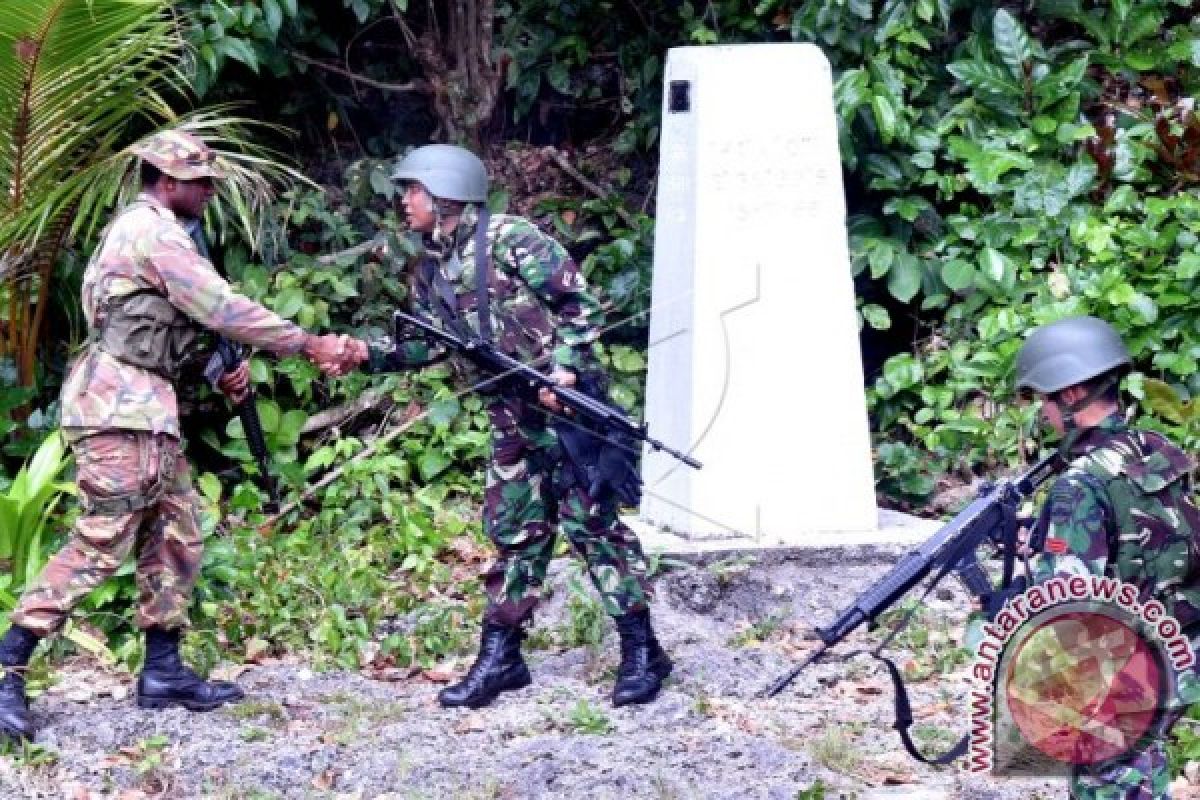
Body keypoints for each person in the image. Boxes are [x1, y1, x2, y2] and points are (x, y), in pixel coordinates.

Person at [0, 130, 362, 741]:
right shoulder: (154, 232)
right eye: (201, 182)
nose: (210, 191)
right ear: (168, 181)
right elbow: (221, 308)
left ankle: (162, 671)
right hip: (118, 409)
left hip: (146, 407)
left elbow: (161, 328)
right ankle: (8, 665)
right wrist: (311, 343)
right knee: (101, 540)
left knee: (175, 532)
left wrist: (216, 370)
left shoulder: (156, 233)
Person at [364, 144, 670, 709]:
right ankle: (502, 657)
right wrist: (359, 353)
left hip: (569, 416)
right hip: (513, 420)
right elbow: (423, 346)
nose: (403, 201)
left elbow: (581, 306)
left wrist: (568, 369)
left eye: (411, 190)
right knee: (513, 531)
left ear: (442, 193)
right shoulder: (432, 267)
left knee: (593, 528)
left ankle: (643, 650)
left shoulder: (511, 240)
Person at [1015, 315, 1200, 799]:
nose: (1044, 413)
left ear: (1072, 394)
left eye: (1045, 399)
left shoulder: (1079, 483)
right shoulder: (1154, 448)